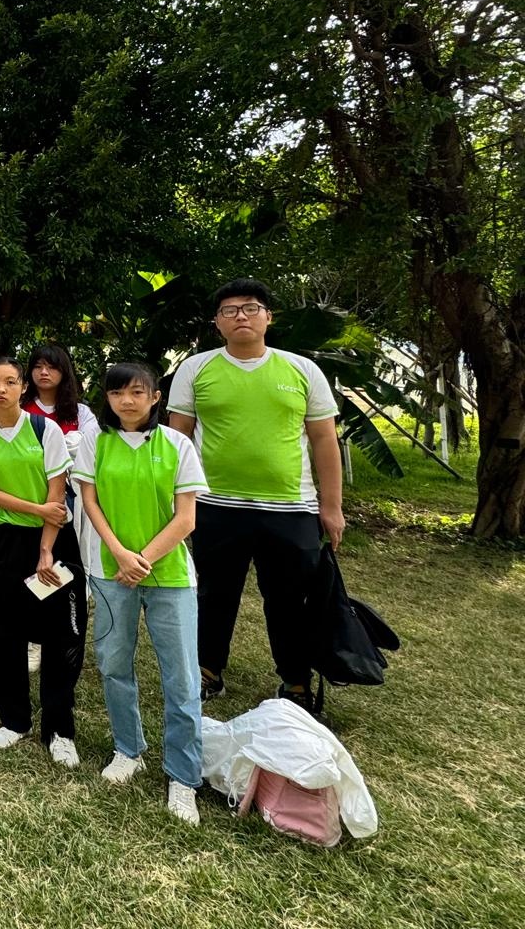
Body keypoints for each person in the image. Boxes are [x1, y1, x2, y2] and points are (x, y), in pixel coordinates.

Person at [166, 279, 342, 709]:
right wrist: (175, 501)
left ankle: (296, 681)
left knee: (289, 599)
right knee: (213, 594)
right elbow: (178, 438)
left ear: (268, 317)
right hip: (215, 506)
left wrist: (332, 507)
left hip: (292, 508)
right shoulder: (196, 369)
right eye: (229, 311)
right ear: (217, 323)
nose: (240, 316)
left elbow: (324, 439)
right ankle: (207, 670)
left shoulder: (302, 370)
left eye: (250, 308)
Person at [76, 360, 208, 825]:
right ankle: (128, 749)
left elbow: (186, 518)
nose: (126, 401)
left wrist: (142, 559)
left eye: (137, 392)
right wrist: (120, 554)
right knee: (114, 664)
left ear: (155, 397)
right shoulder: (95, 440)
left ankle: (183, 775)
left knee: (182, 678)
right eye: (117, 393)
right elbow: (90, 501)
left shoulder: (177, 444)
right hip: (109, 571)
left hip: (169, 576)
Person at [0, 356, 84, 766]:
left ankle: (59, 729)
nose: (1, 389)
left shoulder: (44, 429)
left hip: (53, 540)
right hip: (5, 542)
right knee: (7, 631)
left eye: (10, 381)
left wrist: (47, 549)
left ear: (22, 387)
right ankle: (15, 720)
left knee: (60, 635)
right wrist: (38, 511)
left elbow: (57, 493)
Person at [20, 343, 98, 674]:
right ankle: (34, 639)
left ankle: (63, 633)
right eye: (37, 366)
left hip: (69, 504)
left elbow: (89, 450)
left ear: (64, 372)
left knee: (63, 568)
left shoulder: (81, 413)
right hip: (27, 502)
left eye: (51, 366)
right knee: (31, 569)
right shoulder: (21, 408)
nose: (44, 372)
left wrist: (51, 449)